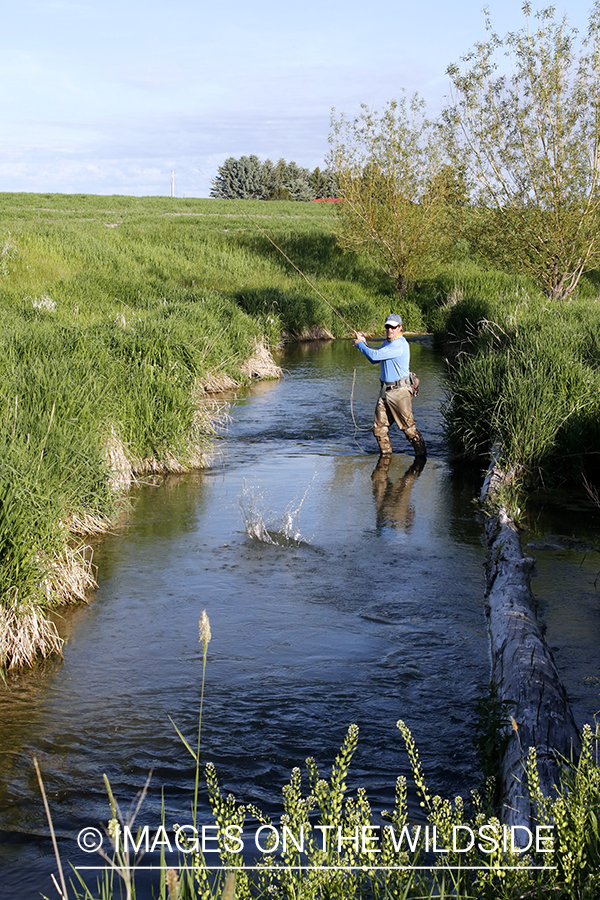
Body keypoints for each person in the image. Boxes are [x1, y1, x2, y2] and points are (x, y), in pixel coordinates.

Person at [353, 314, 426, 458]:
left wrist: (360, 344)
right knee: (379, 429)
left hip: (400, 393)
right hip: (385, 391)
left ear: (400, 327)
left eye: (393, 327)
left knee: (409, 429)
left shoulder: (399, 344)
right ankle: (385, 459)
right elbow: (375, 358)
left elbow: (374, 356)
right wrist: (365, 344)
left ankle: (422, 457)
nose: (390, 329)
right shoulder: (388, 342)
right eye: (387, 326)